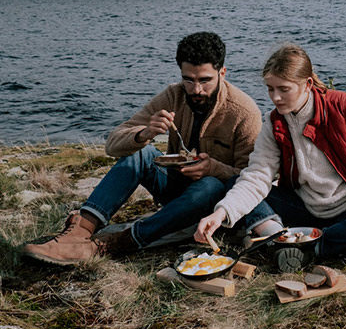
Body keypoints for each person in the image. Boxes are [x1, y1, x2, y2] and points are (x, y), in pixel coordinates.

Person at [24, 32, 262, 265]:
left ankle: (118, 243)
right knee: (141, 152)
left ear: (222, 72)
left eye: (205, 80)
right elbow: (113, 144)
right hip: (176, 190)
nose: (196, 89)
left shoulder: (244, 112)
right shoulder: (174, 95)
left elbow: (251, 179)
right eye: (188, 79)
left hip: (213, 206)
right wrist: (145, 133)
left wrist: (213, 168)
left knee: (210, 185)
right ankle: (80, 231)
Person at [194, 44, 346, 271]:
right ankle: (281, 239)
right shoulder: (274, 122)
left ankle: (298, 247)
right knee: (235, 184)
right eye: (270, 89)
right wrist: (220, 214)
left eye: (284, 89)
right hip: (306, 207)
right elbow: (257, 176)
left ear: (307, 84)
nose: (276, 97)